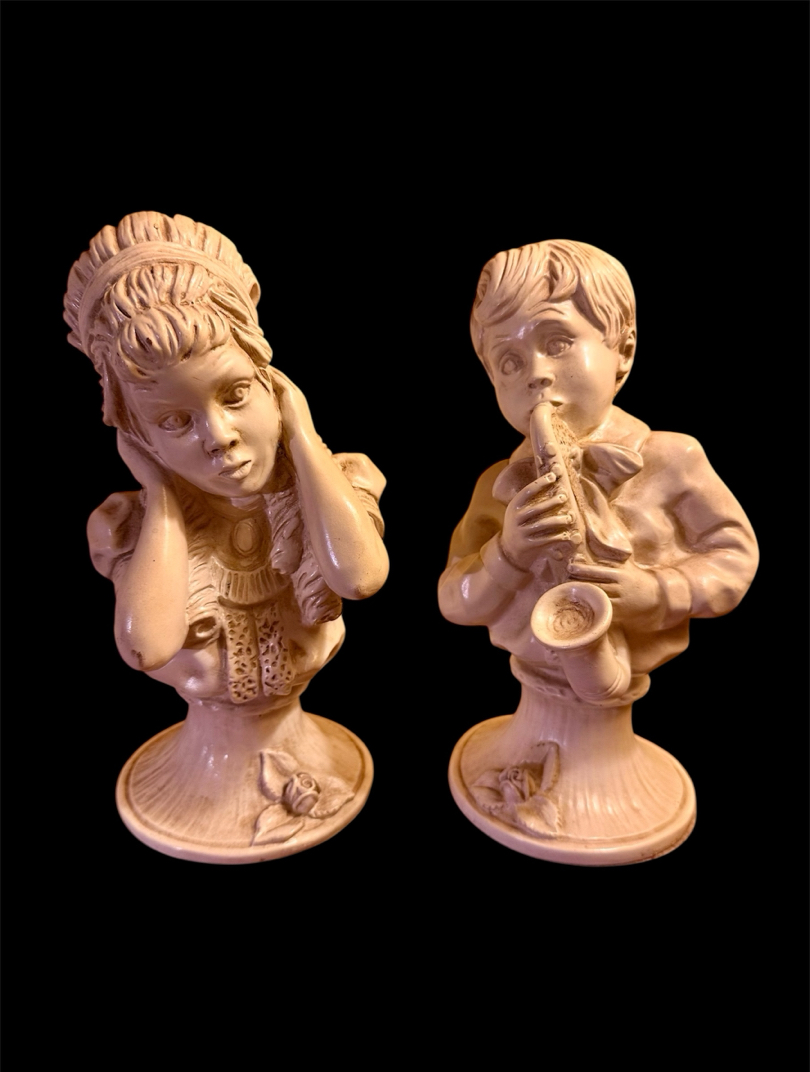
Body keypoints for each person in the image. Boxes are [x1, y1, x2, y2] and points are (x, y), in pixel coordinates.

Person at [65, 212, 388, 858]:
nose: (219, 437)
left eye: (237, 393)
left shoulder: (333, 490)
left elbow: (359, 578)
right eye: (174, 422)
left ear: (274, 384)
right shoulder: (135, 530)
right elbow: (147, 645)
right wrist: (161, 497)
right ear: (138, 437)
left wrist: (303, 437)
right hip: (195, 774)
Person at [439, 238, 758, 709]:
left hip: (623, 668)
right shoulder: (499, 485)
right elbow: (453, 599)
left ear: (623, 352)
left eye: (557, 343)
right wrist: (508, 554)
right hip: (534, 677)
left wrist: (657, 593)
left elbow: (733, 555)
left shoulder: (672, 458)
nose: (536, 373)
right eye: (509, 361)